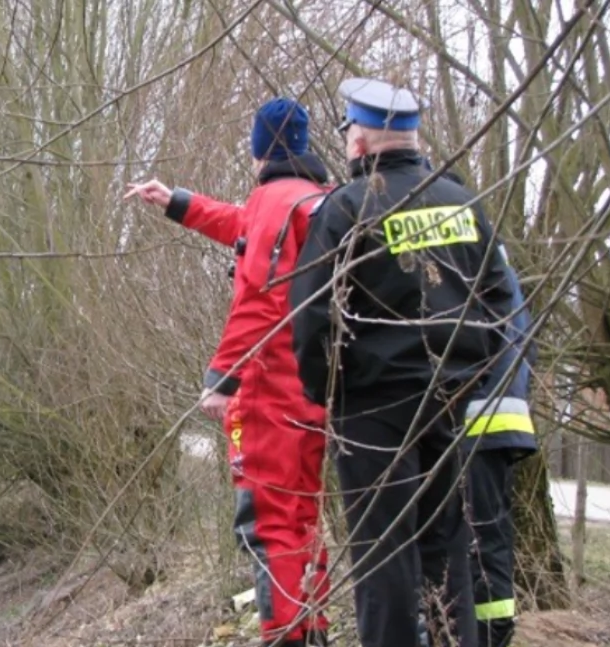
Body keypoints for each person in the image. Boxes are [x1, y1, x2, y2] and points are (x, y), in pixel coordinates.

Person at [288, 78, 515, 647]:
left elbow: (313, 318)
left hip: (373, 411)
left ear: (359, 141)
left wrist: (330, 393)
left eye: (348, 133)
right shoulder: (461, 200)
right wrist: (471, 371)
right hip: (449, 402)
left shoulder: (347, 208)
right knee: (446, 548)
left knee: (382, 556)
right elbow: (499, 298)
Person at [124, 98, 333, 647]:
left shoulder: (273, 199)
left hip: (272, 387)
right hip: (316, 388)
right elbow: (244, 227)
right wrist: (178, 203)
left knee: (267, 522)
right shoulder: (317, 200)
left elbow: (261, 294)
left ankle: (288, 636)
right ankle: (311, 631)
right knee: (302, 517)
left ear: (260, 151)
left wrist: (223, 376)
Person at [438, 169, 539, 647]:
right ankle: (493, 632)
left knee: (471, 541)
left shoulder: (460, 257)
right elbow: (523, 344)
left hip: (473, 419)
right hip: (506, 416)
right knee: (490, 541)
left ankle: (484, 636)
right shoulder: (496, 259)